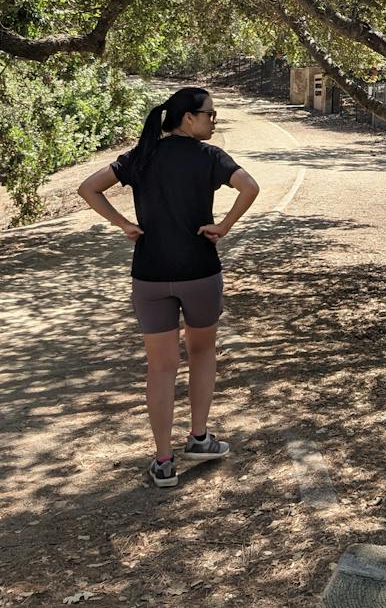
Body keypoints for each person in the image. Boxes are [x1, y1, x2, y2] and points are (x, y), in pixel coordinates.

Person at [78, 87, 259, 488]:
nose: (214, 120)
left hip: (150, 274)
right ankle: (198, 438)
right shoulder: (210, 157)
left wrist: (124, 225)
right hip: (199, 271)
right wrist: (223, 227)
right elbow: (250, 187)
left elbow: (88, 188)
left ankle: (163, 462)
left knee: (160, 367)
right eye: (211, 114)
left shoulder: (142, 155)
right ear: (189, 119)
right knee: (202, 352)